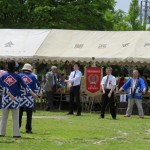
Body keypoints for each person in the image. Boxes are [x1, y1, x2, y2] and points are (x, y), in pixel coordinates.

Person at [0, 60, 37, 138]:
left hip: (5, 99)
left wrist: (7, 93)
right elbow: (25, 86)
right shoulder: (17, 76)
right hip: (15, 99)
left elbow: (1, 87)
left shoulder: (3, 76)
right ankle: (16, 134)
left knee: (4, 117)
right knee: (15, 118)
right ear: (15, 67)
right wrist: (33, 93)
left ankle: (1, 132)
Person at [19, 63, 41, 133]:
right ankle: (28, 129)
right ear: (30, 69)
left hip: (20, 97)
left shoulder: (19, 76)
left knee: (19, 113)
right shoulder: (33, 77)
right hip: (29, 97)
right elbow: (38, 87)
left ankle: (17, 127)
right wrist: (38, 94)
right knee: (29, 114)